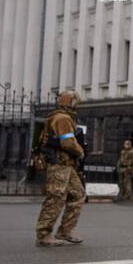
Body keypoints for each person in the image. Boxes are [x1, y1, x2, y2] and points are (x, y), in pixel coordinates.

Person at [35, 90, 87, 246]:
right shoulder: (62, 119)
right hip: (59, 165)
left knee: (78, 195)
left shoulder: (60, 117)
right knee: (56, 198)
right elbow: (67, 142)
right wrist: (80, 151)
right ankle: (43, 234)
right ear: (70, 102)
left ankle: (65, 231)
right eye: (75, 101)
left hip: (66, 166)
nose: (77, 105)